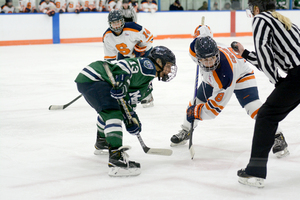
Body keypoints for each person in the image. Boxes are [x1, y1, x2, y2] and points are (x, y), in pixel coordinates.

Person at [170, 26, 289, 159]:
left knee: (253, 107)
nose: (209, 63)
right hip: (212, 78)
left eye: (212, 58)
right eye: (205, 60)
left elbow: (213, 110)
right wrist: (201, 31)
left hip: (240, 74)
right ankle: (186, 130)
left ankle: (278, 135)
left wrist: (197, 112)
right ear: (198, 57)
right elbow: (203, 33)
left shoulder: (224, 76)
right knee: (196, 102)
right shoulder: (194, 49)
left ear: (216, 54)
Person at [75, 46, 177, 176]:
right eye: (168, 65)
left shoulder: (147, 86)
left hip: (91, 79)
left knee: (109, 110)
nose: (169, 70)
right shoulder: (148, 66)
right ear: (158, 61)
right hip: (97, 76)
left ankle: (102, 141)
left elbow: (127, 106)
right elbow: (123, 65)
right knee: (113, 112)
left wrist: (133, 120)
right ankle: (116, 159)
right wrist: (122, 81)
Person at [233, 0, 300, 188]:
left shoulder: (260, 18)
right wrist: (245, 53)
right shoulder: (285, 21)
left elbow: (264, 55)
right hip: (297, 75)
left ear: (256, 8)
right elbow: (270, 57)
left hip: (296, 77)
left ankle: (255, 172)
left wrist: (277, 81)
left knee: (266, 116)